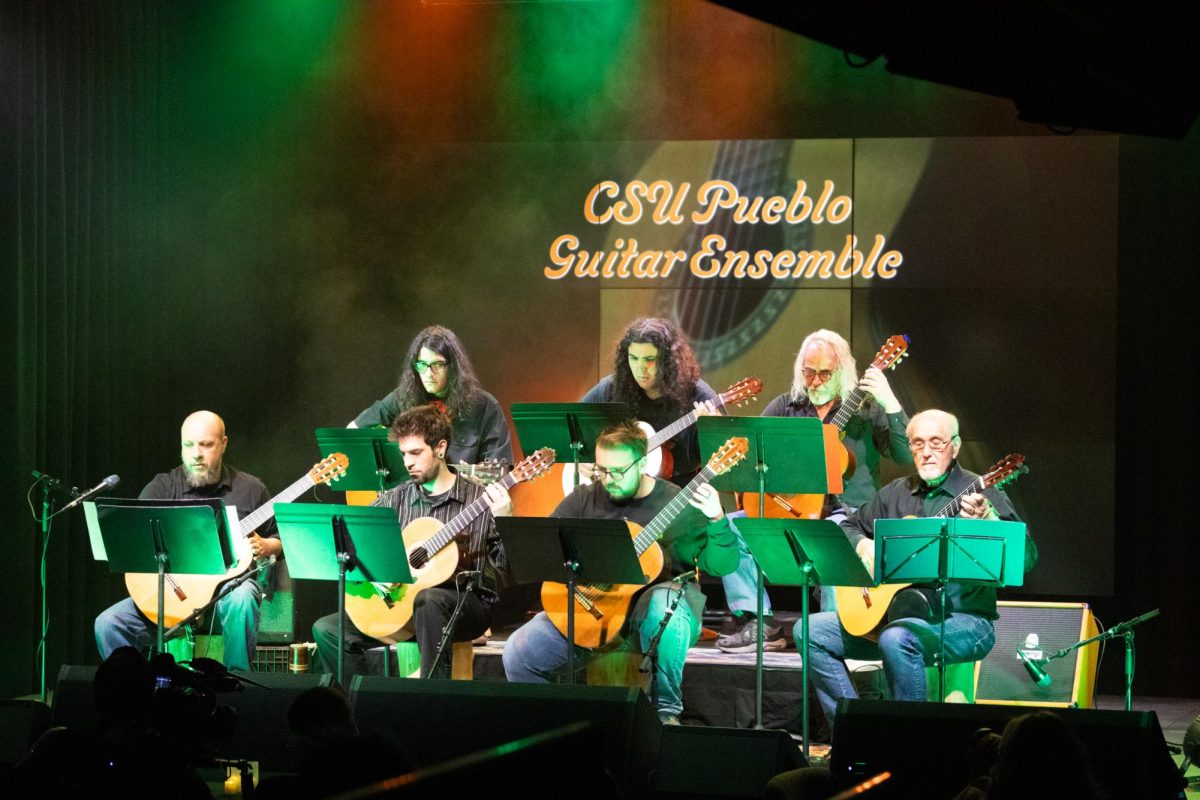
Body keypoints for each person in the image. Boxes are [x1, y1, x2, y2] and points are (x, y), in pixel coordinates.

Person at [799, 409, 1037, 732]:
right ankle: (851, 732)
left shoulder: (980, 492)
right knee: (809, 631)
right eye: (918, 443)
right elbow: (849, 527)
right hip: (891, 620)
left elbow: (1027, 557)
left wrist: (990, 521)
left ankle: (910, 742)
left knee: (897, 639)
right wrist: (861, 545)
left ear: (955, 446)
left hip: (964, 621)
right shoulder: (896, 493)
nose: (926, 452)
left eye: (936, 443)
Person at [502, 420, 739, 724]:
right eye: (601, 470)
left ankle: (665, 716)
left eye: (617, 471)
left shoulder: (678, 503)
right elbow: (545, 549)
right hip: (594, 610)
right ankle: (551, 735)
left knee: (663, 604)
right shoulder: (584, 498)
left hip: (656, 614)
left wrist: (717, 518)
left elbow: (722, 565)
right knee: (518, 652)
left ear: (642, 464)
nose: (608, 479)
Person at [718, 329, 913, 653]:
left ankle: (832, 632)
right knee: (730, 526)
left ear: (843, 372)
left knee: (835, 536)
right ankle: (759, 622)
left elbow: (906, 456)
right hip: (789, 511)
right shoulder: (786, 406)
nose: (816, 380)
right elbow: (753, 458)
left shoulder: (866, 410)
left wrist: (890, 402)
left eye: (825, 373)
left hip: (845, 514)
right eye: (809, 372)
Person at [312, 404, 512, 680]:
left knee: (428, 600)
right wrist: (373, 576)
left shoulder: (478, 499)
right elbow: (352, 544)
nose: (407, 463)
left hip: (467, 603)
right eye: (404, 454)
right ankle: (360, 702)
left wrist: (504, 520)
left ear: (440, 448)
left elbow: (506, 567)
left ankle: (428, 699)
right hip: (402, 605)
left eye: (416, 453)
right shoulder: (396, 498)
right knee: (327, 629)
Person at [94, 410, 278, 671]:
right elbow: (137, 544)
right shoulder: (161, 487)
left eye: (206, 444)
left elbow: (278, 537)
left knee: (243, 598)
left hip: (224, 597)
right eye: (188, 445)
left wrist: (270, 545)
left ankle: (236, 688)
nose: (196, 454)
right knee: (108, 622)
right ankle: (136, 695)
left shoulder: (251, 489)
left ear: (223, 444)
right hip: (172, 596)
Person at [581, 317, 719, 486]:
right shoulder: (611, 388)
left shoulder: (700, 397)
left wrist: (712, 433)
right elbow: (571, 429)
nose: (640, 368)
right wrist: (583, 458)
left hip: (677, 494)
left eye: (649, 360)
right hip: (614, 495)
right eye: (633, 358)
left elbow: (725, 470)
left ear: (668, 361)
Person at [350, 325, 512, 467]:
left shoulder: (484, 406)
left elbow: (500, 471)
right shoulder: (404, 396)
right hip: (410, 500)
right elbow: (352, 431)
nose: (428, 373)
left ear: (453, 367)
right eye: (422, 365)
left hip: (466, 500)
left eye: (437, 365)